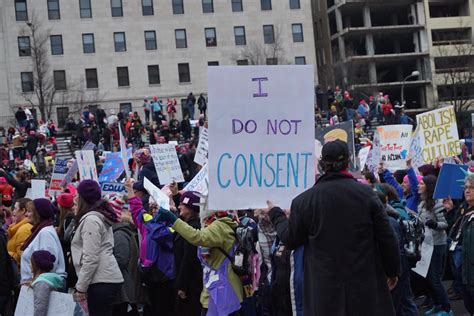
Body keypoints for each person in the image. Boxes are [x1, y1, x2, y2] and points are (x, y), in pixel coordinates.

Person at [266, 140, 400, 315]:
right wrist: (392, 270)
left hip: (324, 291)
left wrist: (276, 214)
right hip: (364, 287)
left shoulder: (304, 201)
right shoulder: (367, 195)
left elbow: (291, 238)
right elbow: (387, 238)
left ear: (322, 164)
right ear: (348, 161)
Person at [154, 194, 243, 315]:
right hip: (215, 291)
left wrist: (173, 220)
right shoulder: (214, 224)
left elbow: (198, 237)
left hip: (223, 293)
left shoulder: (220, 226)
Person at [71, 180, 124, 316]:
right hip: (104, 278)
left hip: (101, 280)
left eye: (77, 194)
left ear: (83, 198)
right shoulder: (97, 217)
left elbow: (91, 257)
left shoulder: (91, 220)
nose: (75, 198)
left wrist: (81, 287)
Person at [125, 179, 175, 316]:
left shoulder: (173, 226)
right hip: (148, 275)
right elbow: (136, 209)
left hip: (165, 278)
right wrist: (130, 189)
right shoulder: (148, 221)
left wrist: (171, 200)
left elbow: (160, 235)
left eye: (157, 207)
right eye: (152, 207)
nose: (154, 210)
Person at [418, 175, 452, 316]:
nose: (419, 185)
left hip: (437, 245)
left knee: (435, 279)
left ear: (428, 186)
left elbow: (445, 223)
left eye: (421, 183)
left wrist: (434, 224)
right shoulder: (422, 204)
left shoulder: (437, 203)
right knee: (427, 278)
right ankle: (437, 305)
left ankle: (447, 308)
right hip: (426, 244)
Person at [108, 194, 144, 316]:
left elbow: (121, 260)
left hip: (123, 290)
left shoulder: (119, 235)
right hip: (123, 289)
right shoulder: (119, 232)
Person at [20, 199, 66, 284]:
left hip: (42, 287)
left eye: (29, 211)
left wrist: (36, 282)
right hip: (36, 284)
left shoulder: (46, 233)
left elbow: (50, 264)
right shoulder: (41, 230)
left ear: (38, 214)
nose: (26, 214)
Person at [173, 191, 203, 316]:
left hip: (192, 285)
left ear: (191, 208)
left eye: (182, 204)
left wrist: (182, 285)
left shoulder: (193, 229)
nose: (179, 206)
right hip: (190, 282)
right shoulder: (186, 226)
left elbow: (189, 259)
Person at [30, 250, 64, 316]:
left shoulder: (41, 283)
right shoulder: (48, 280)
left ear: (37, 265)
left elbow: (40, 310)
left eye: (31, 262)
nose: (30, 265)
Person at [7, 198, 32, 265]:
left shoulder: (25, 229)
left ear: (23, 211)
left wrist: (5, 254)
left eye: (15, 208)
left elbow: (21, 256)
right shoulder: (16, 228)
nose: (13, 212)